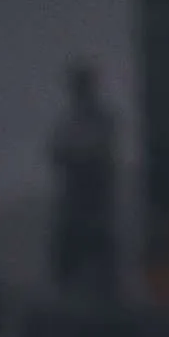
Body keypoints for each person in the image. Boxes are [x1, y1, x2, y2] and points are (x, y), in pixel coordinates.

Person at [46, 60, 121, 306]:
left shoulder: (100, 120)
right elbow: (58, 153)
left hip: (94, 200)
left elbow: (92, 151)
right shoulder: (70, 123)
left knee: (98, 251)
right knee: (70, 252)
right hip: (77, 201)